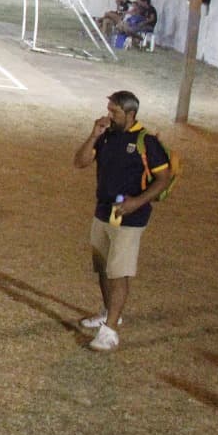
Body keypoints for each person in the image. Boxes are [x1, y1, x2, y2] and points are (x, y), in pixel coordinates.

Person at [72, 90, 173, 353]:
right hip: (103, 211)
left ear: (130, 114)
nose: (109, 115)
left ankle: (110, 331)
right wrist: (93, 135)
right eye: (109, 109)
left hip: (130, 218)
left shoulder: (146, 142)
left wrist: (136, 202)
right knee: (103, 268)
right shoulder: (106, 135)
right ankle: (109, 314)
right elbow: (79, 162)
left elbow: (163, 179)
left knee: (119, 273)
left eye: (114, 111)